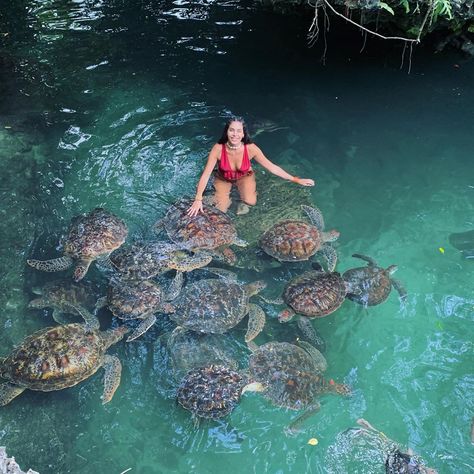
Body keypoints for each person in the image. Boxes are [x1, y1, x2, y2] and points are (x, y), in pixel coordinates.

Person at [187, 117, 315, 217]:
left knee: (250, 202)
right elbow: (206, 174)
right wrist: (198, 198)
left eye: (239, 131)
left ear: (243, 134)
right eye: (231, 130)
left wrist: (295, 179)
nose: (235, 134)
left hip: (244, 177)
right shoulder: (218, 149)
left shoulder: (251, 149)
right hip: (223, 178)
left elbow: (272, 167)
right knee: (221, 208)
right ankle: (220, 197)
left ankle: (241, 197)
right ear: (227, 132)